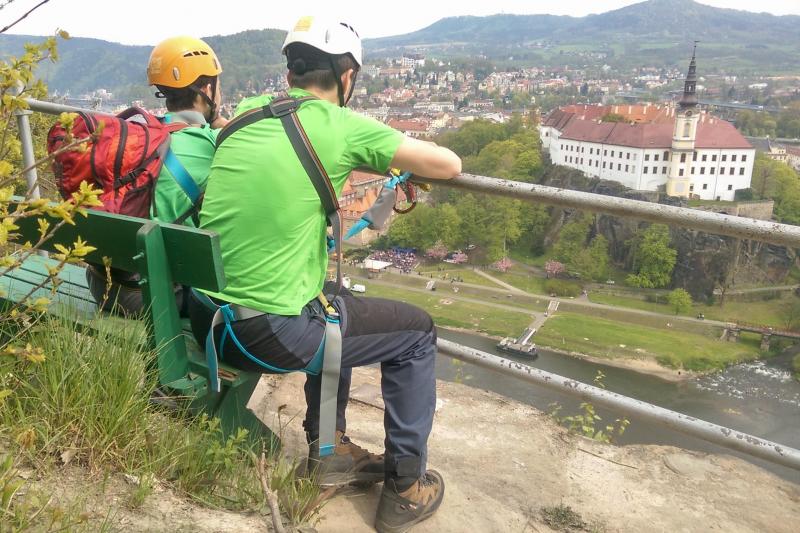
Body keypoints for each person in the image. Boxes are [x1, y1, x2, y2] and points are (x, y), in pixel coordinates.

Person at [188, 17, 461, 533]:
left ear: (290, 70)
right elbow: (448, 163)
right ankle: (405, 487)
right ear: (346, 75)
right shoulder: (341, 126)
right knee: (417, 333)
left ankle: (331, 449)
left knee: (333, 299)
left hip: (209, 320)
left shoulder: (246, 114)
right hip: (266, 335)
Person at [86, 36, 227, 316]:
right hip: (157, 299)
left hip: (103, 284)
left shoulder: (140, 133)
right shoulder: (213, 144)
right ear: (207, 88)